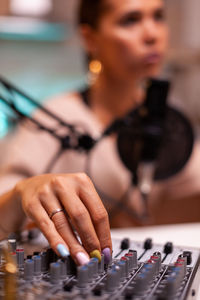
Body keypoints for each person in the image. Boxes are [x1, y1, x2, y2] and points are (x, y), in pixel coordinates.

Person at [0, 0, 200, 265]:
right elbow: (9, 202)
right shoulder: (56, 118)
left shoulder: (170, 120)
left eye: (158, 17)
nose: (152, 34)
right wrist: (21, 194)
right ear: (90, 37)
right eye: (131, 20)